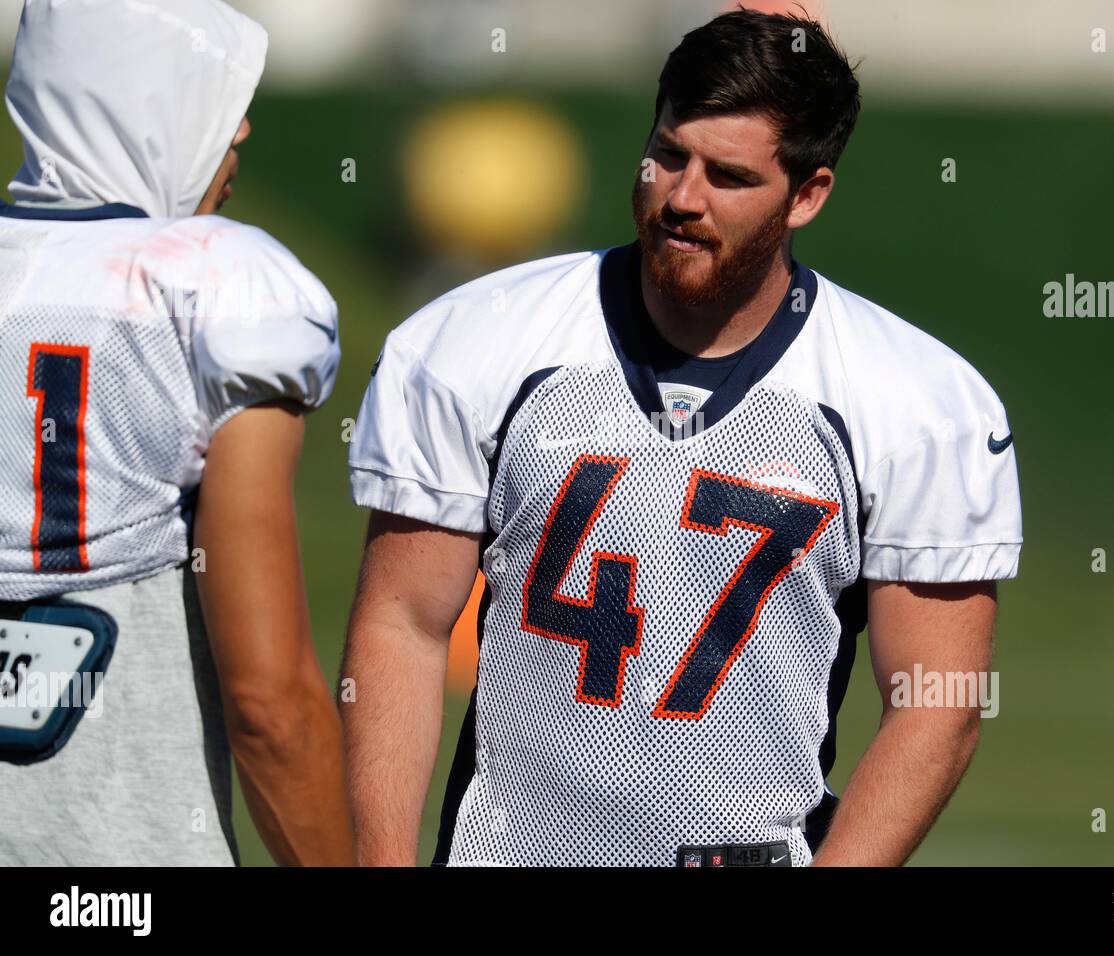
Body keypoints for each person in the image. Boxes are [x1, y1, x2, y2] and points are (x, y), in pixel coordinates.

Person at [343, 8, 1022, 867]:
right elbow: (402, 624)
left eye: (729, 176)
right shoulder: (477, 345)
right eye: (667, 154)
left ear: (808, 194)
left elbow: (938, 702)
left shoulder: (917, 406)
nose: (682, 197)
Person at [0, 0, 353, 866]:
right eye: (210, 94)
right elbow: (267, 704)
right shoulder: (219, 287)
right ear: (148, 103)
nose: (238, 131)